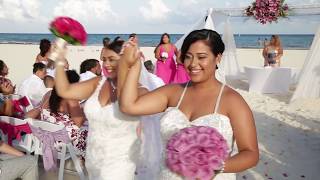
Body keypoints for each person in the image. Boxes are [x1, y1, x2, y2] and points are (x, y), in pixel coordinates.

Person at [118, 29, 259, 180]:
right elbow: (129, 106)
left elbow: (250, 153)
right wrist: (131, 66)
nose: (193, 64)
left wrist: (211, 165)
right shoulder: (173, 92)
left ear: (218, 58)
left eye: (202, 57)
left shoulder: (232, 101)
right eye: (188, 57)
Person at [51, 37, 147, 179]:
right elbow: (64, 91)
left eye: (111, 59)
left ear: (125, 59)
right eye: (104, 59)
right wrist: (59, 60)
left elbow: (123, 102)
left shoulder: (140, 91)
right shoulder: (98, 83)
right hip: (93, 161)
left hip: (121, 164)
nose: (106, 64)